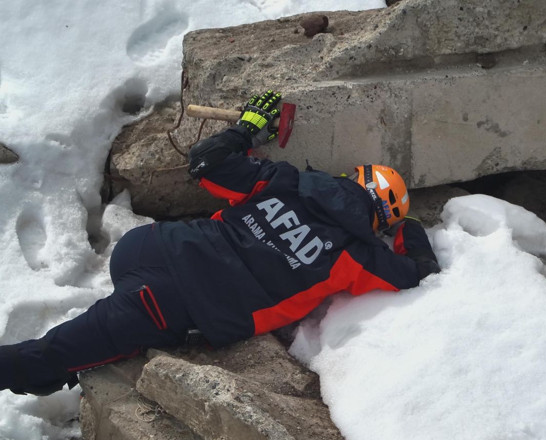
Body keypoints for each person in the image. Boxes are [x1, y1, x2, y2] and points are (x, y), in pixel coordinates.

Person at [0, 90, 440, 396]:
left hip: (146, 245)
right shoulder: (357, 256)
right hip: (172, 302)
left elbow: (206, 163)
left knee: (92, 335)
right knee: (53, 352)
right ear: (381, 221)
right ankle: (51, 367)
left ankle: (64, 364)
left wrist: (248, 127)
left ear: (350, 177)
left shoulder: (285, 181)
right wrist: (410, 228)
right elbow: (420, 273)